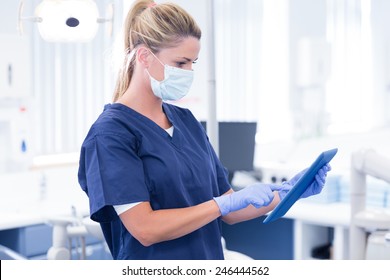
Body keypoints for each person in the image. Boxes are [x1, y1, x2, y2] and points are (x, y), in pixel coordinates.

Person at [77, 0, 331, 260]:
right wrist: (219, 205)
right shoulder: (110, 134)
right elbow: (145, 228)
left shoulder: (186, 122)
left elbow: (230, 209)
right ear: (144, 56)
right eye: (181, 63)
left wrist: (288, 194)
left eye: (193, 63)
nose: (189, 72)